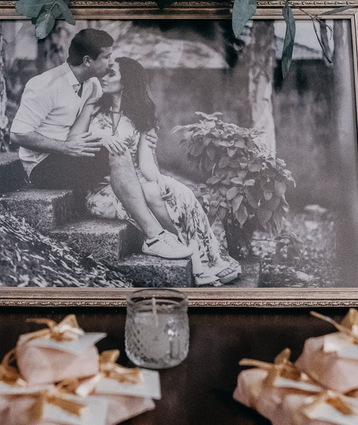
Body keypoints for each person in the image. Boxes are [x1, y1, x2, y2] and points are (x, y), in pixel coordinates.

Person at [9, 29, 192, 260]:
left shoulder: (92, 85)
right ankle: (154, 237)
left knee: (118, 148)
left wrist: (146, 137)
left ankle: (177, 237)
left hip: (74, 155)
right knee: (115, 151)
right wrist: (66, 147)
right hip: (42, 166)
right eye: (107, 57)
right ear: (88, 60)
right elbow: (18, 134)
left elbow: (107, 119)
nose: (110, 62)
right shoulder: (44, 84)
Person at [68, 56, 243, 287]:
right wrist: (101, 139)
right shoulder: (93, 107)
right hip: (103, 189)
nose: (104, 77)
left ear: (127, 81)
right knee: (150, 192)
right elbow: (72, 140)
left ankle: (205, 256)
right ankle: (200, 260)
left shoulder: (141, 116)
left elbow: (145, 163)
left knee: (165, 191)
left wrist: (161, 181)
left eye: (111, 73)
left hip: (135, 182)